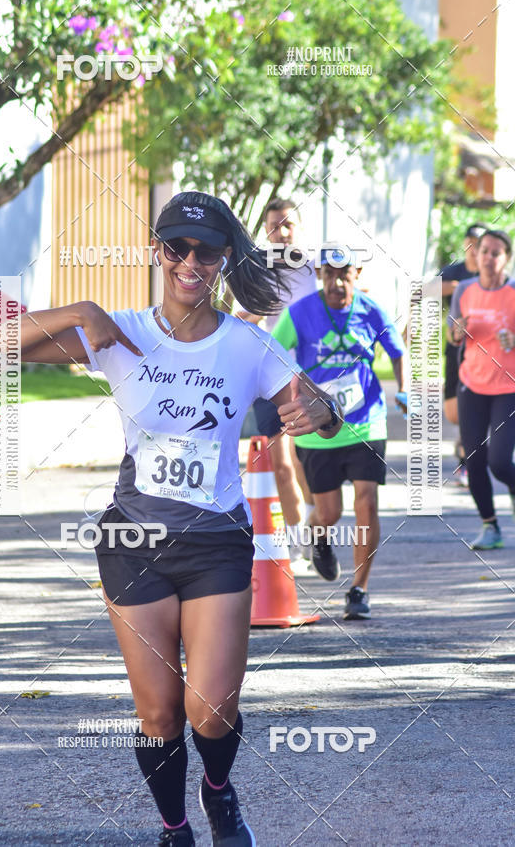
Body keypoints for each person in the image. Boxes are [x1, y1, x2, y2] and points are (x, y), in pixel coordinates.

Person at [20, 191, 342, 847]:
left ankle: (218, 791)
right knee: (160, 713)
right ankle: (175, 827)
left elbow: (316, 402)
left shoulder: (247, 344)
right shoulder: (119, 331)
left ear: (224, 260)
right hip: (133, 541)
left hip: (216, 542)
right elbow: (0, 343)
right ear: (159, 252)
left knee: (212, 708)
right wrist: (81, 311)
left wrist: (324, 410)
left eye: (206, 250)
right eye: (177, 247)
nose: (190, 261)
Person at [272, 246, 405, 620]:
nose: (336, 281)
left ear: (357, 274)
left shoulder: (370, 309)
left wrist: (405, 388)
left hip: (366, 420)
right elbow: (271, 352)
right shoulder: (299, 313)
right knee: (329, 513)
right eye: (329, 274)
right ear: (319, 275)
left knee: (367, 501)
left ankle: (359, 589)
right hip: (318, 430)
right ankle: (318, 537)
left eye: (343, 273)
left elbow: (398, 351)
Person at [236, 198, 317, 553]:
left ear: (299, 228)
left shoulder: (316, 268)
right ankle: (299, 543)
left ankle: (319, 531)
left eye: (287, 224)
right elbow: (246, 318)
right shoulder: (260, 271)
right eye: (273, 226)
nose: (281, 232)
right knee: (282, 465)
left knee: (307, 464)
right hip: (273, 377)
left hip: (316, 378)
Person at [449, 228, 515, 550]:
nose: (487, 257)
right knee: (473, 459)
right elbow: (452, 335)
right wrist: (457, 332)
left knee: (500, 462)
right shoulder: (464, 289)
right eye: (483, 251)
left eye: (495, 252)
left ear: (507, 259)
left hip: (508, 387)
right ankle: (490, 526)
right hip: (472, 384)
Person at [439, 222, 485, 486]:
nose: (474, 248)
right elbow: (422, 292)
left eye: (479, 243)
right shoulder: (453, 272)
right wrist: (452, 287)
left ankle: (466, 462)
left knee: (475, 408)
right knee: (455, 413)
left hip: (484, 353)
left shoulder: (492, 274)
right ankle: (465, 447)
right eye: (471, 242)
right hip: (455, 348)